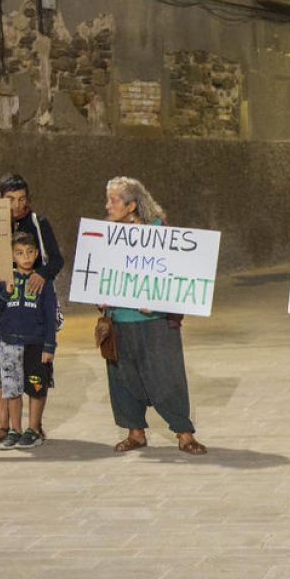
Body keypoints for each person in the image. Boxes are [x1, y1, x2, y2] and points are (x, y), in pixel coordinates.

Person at [103, 176, 206, 455]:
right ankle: (135, 433)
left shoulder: (161, 233)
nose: (107, 206)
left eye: (114, 200)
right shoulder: (106, 236)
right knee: (124, 380)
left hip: (155, 322)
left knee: (167, 376)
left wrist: (159, 299)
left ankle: (184, 433)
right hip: (120, 322)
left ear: (132, 205)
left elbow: (178, 273)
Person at [0, 174, 64, 446]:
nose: (17, 205)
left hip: (32, 309)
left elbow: (57, 260)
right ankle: (5, 427)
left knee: (34, 368)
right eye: (10, 199)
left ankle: (34, 427)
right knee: (0, 368)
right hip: (1, 309)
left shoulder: (39, 224)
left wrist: (42, 274)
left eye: (22, 199)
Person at [0, 232, 58, 449]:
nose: (25, 257)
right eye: (19, 253)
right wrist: (4, 294)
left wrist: (49, 346)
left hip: (35, 344)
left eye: (29, 252)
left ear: (36, 254)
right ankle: (15, 430)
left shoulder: (44, 283)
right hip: (9, 344)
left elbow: (50, 316)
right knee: (12, 389)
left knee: (36, 386)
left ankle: (33, 429)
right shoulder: (4, 282)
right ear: (12, 256)